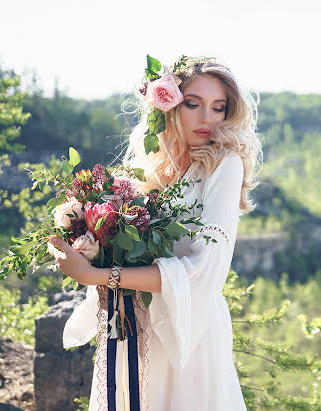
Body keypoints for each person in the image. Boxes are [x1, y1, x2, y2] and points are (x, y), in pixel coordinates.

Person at [47, 55, 262, 410]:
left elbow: (203, 272)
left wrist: (97, 273)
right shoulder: (149, 171)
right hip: (133, 323)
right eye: (193, 104)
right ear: (168, 107)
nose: (207, 118)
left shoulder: (225, 164)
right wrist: (80, 231)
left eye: (218, 107)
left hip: (186, 332)